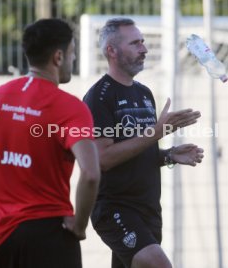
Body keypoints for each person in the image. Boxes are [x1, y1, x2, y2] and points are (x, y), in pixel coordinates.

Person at [83, 18, 204, 268]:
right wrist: (157, 132)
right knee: (159, 264)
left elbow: (133, 150)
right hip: (115, 208)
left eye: (143, 42)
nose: (144, 49)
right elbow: (103, 159)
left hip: (148, 209)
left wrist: (168, 155)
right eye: (135, 43)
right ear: (111, 51)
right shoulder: (99, 96)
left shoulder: (144, 93)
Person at [0, 18, 100, 268]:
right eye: (73, 53)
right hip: (50, 233)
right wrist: (80, 224)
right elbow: (91, 173)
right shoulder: (71, 107)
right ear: (59, 57)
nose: (73, 61)